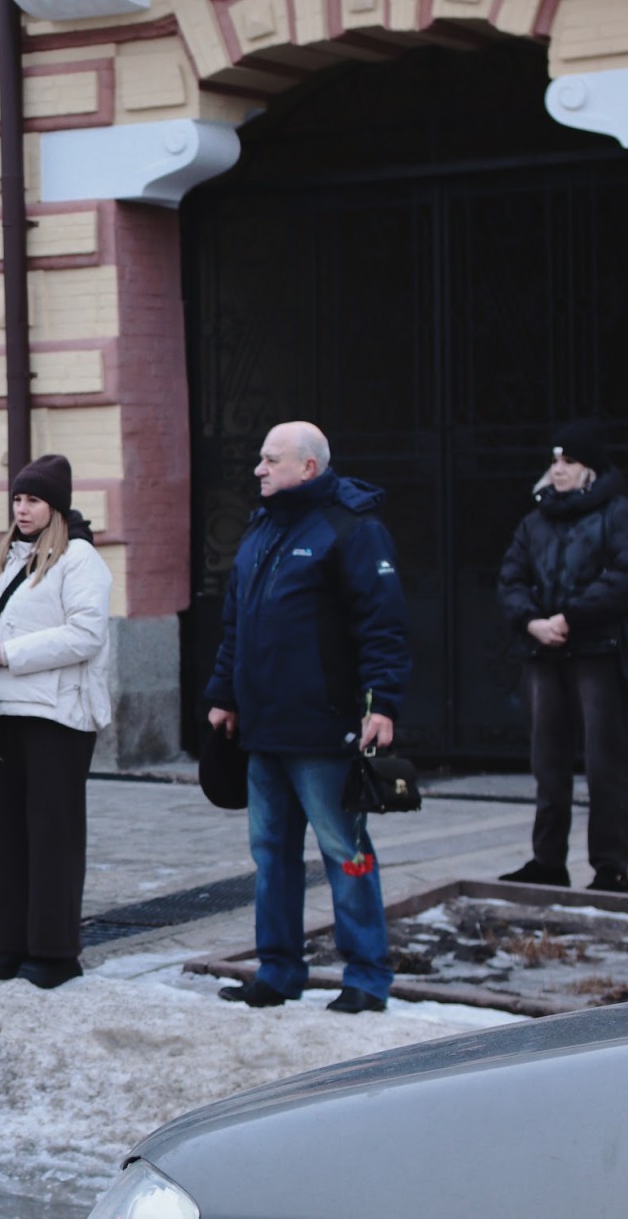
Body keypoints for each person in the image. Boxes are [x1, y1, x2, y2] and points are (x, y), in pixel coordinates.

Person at [207, 421, 410, 1015]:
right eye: (260, 459)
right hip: (262, 730)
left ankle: (367, 978)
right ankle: (278, 970)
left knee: (344, 849)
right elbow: (234, 625)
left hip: (325, 730)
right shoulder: (261, 527)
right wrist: (224, 695)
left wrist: (383, 705)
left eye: (271, 460)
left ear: (309, 468)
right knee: (269, 852)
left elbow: (384, 627)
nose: (258, 470)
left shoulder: (353, 529)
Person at [0, 454, 113, 990]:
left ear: (55, 507)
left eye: (34, 500)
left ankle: (54, 952)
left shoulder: (79, 559)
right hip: (4, 711)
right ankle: (10, 945)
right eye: (18, 499)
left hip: (57, 715)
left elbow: (87, 634)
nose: (22, 509)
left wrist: (10, 654)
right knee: (5, 833)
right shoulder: (4, 557)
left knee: (52, 833)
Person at [495, 420, 628, 892]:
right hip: (542, 654)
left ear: (590, 469)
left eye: (569, 462)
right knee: (547, 762)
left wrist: (569, 617)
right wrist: (532, 621)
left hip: (596, 651)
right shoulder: (535, 522)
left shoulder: (615, 514)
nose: (558, 470)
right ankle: (547, 861)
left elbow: (620, 575)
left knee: (603, 762)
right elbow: (510, 578)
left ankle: (612, 866)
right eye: (554, 461)